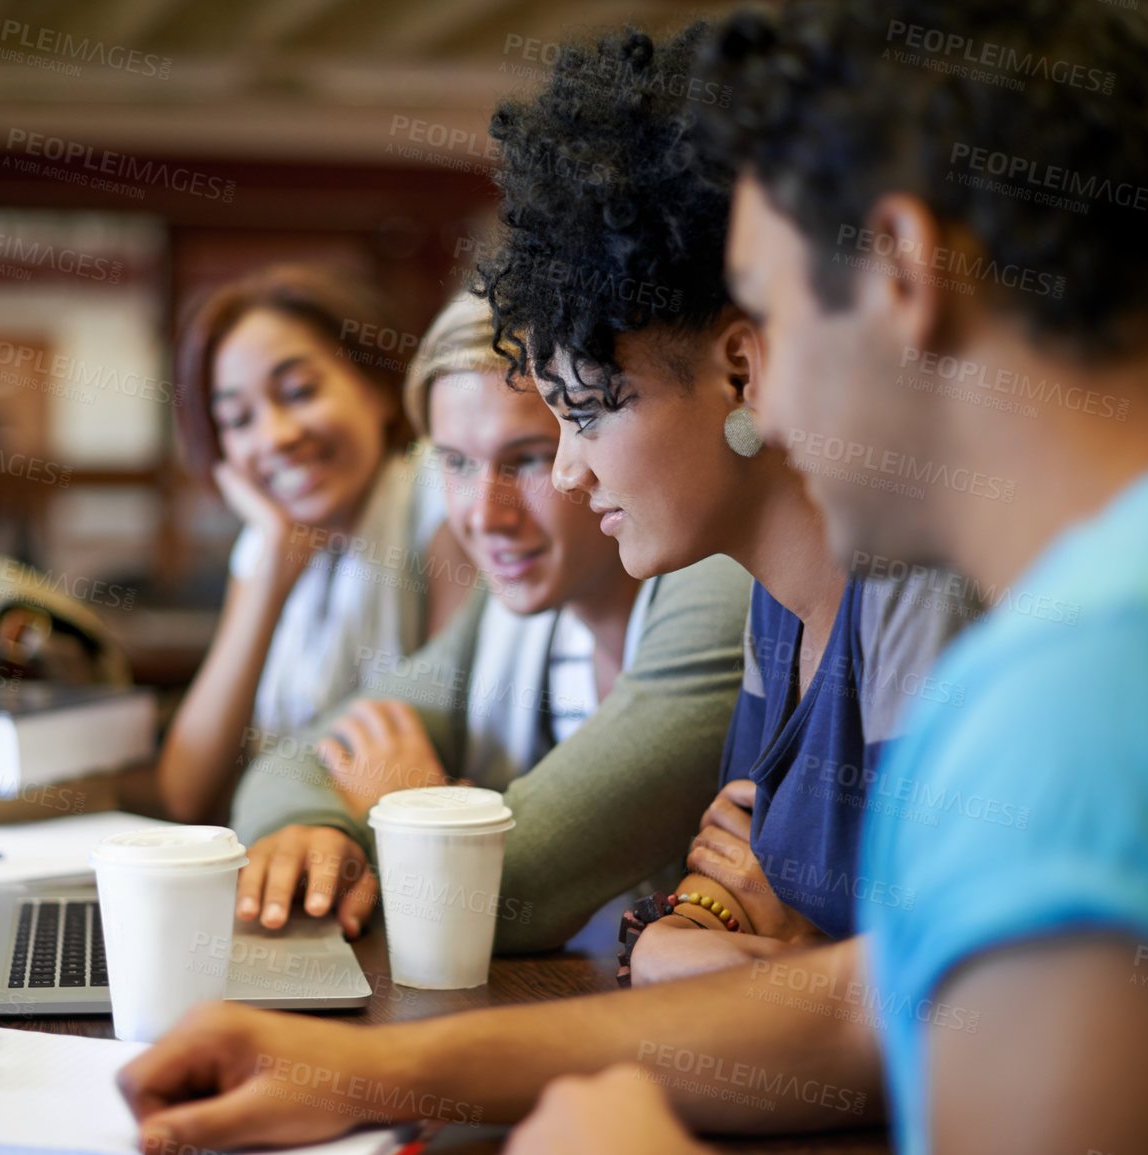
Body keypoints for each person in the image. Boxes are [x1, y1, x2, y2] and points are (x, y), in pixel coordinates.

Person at [118, 5, 1148, 1154]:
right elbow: (868, 1010)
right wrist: (378, 1068)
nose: (761, 393)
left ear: (909, 275)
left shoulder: (1107, 684)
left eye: (768, 312)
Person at [226, 30, 967, 967]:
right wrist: (714, 943)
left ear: (741, 369)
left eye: (581, 415)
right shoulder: (773, 608)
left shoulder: (885, 583)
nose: (571, 475)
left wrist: (771, 957)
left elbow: (940, 991)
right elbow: (701, 918)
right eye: (450, 460)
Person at [228, 290, 752, 948]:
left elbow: (507, 889)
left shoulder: (721, 579)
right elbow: (292, 763)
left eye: (526, 457)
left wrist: (407, 803)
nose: (483, 513)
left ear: (588, 435)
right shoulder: (509, 612)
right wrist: (313, 829)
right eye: (455, 461)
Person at [156, 265, 468, 822]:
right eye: (238, 419)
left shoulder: (442, 504)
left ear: (379, 388)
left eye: (298, 392)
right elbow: (185, 792)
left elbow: (449, 741)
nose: (275, 436)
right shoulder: (264, 544)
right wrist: (271, 568)